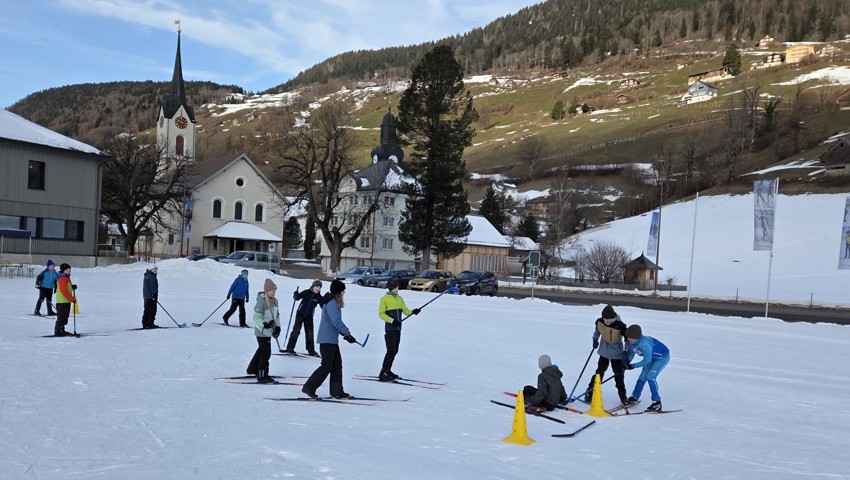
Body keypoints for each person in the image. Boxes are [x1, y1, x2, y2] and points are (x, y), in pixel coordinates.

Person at [302, 280, 357, 399]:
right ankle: (309, 387)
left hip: (331, 340)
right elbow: (335, 321)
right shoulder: (331, 303)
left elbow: (334, 322)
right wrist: (347, 333)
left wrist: (344, 334)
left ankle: (337, 391)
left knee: (337, 365)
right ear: (338, 292)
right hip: (327, 340)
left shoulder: (332, 302)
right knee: (326, 366)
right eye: (342, 292)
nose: (343, 294)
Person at [582, 305, 629, 406]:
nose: (607, 321)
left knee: (618, 375)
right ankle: (590, 393)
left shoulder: (620, 325)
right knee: (599, 372)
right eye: (605, 319)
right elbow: (597, 330)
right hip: (604, 351)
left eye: (609, 319)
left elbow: (627, 339)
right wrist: (595, 339)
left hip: (616, 353)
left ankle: (623, 396)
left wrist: (626, 351)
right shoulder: (600, 321)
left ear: (614, 317)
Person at [377, 279, 420, 381]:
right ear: (391, 288)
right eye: (396, 287)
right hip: (390, 329)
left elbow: (405, 310)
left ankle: (388, 370)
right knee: (390, 351)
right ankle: (383, 372)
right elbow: (381, 314)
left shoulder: (400, 298)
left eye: (397, 287)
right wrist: (392, 321)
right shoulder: (384, 299)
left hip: (398, 329)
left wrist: (413, 312)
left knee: (395, 350)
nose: (397, 289)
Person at [624, 324, 670, 412]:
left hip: (661, 358)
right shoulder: (632, 342)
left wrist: (632, 366)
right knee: (642, 377)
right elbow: (631, 353)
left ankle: (656, 402)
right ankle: (635, 397)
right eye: (629, 337)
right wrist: (626, 364)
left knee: (650, 377)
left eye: (632, 337)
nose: (629, 339)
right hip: (651, 358)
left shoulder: (645, 344)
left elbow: (646, 361)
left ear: (638, 337)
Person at [247, 278, 281, 383]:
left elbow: (277, 316)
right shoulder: (261, 301)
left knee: (261, 350)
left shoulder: (274, 301)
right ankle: (262, 375)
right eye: (271, 290)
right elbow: (256, 317)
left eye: (274, 290)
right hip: (261, 332)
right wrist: (264, 325)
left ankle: (252, 369)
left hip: (269, 331)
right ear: (266, 291)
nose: (273, 292)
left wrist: (277, 327)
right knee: (266, 353)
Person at [284, 280, 323, 356]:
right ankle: (290, 348)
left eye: (319, 287)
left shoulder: (319, 297)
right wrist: (295, 294)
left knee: (310, 333)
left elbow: (323, 306)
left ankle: (311, 350)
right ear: (313, 287)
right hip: (300, 314)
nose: (318, 289)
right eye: (316, 287)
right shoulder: (306, 292)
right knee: (296, 331)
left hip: (309, 316)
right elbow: (297, 298)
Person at [53, 263, 77, 336]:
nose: (69, 270)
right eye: (67, 269)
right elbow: (64, 292)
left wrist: (72, 287)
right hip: (62, 301)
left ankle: (62, 330)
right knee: (61, 317)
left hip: (66, 301)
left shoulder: (66, 278)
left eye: (69, 269)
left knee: (65, 317)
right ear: (63, 270)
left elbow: (67, 288)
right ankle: (58, 331)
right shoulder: (62, 279)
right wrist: (72, 299)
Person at [142, 264, 160, 329]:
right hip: (151, 297)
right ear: (151, 269)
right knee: (151, 310)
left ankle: (145, 323)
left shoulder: (147, 276)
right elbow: (153, 287)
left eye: (156, 269)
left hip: (147, 296)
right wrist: (154, 295)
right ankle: (150, 324)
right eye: (154, 269)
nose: (155, 270)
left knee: (147, 310)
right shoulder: (151, 276)